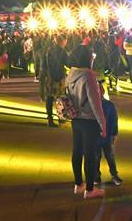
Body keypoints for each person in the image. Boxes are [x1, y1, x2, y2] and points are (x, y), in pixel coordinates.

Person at [65, 46, 107, 200]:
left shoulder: (71, 74)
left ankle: (78, 184)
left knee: (77, 151)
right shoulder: (88, 76)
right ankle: (90, 189)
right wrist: (103, 124)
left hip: (76, 118)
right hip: (89, 120)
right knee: (90, 155)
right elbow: (96, 104)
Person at [96, 92, 122, 187]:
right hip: (105, 136)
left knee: (97, 156)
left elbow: (114, 120)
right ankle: (113, 175)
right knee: (109, 156)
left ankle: (97, 176)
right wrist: (114, 134)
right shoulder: (109, 105)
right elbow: (114, 120)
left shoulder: (91, 104)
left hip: (98, 136)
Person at [44, 35, 69, 127]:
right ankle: (60, 117)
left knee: (50, 98)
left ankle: (50, 119)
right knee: (60, 98)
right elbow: (68, 63)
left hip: (50, 76)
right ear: (63, 41)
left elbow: (46, 63)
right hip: (59, 76)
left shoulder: (49, 50)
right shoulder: (63, 51)